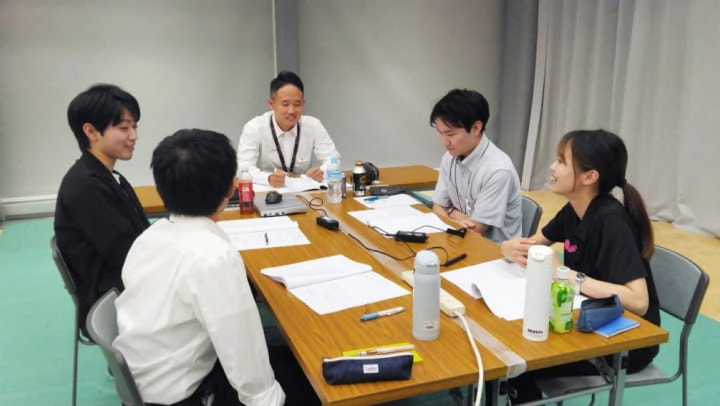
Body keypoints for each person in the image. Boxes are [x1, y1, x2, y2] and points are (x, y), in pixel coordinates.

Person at [114, 129, 318, 406]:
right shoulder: (215, 258)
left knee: (285, 357)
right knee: (315, 380)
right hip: (187, 396)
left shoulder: (148, 238)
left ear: (161, 188)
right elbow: (244, 357)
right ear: (231, 189)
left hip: (147, 379)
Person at [500, 129, 660, 402]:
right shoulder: (574, 210)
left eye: (562, 161)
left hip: (625, 339)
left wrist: (566, 275)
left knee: (517, 361)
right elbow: (532, 246)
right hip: (585, 317)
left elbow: (639, 302)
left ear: (589, 176)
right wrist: (507, 247)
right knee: (512, 343)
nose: (552, 167)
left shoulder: (612, 222)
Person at [54, 84, 150, 334]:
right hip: (114, 299)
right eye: (124, 128)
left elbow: (139, 237)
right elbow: (127, 256)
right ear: (91, 131)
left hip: (122, 284)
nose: (134, 136)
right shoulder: (87, 187)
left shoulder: (106, 176)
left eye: (135, 127)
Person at [429, 89, 522, 243]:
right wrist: (454, 213)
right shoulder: (449, 158)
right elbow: (438, 206)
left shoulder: (498, 170)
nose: (444, 142)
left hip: (493, 250)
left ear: (476, 128)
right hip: (458, 239)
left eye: (450, 134)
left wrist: (450, 212)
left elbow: (476, 230)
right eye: (441, 133)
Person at [237, 70, 340, 188]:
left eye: (297, 104)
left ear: (303, 103)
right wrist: (268, 178)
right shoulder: (255, 127)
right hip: (269, 189)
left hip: (304, 189)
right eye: (285, 104)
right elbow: (243, 168)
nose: (291, 111)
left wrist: (322, 171)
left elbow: (334, 159)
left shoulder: (313, 125)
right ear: (271, 104)